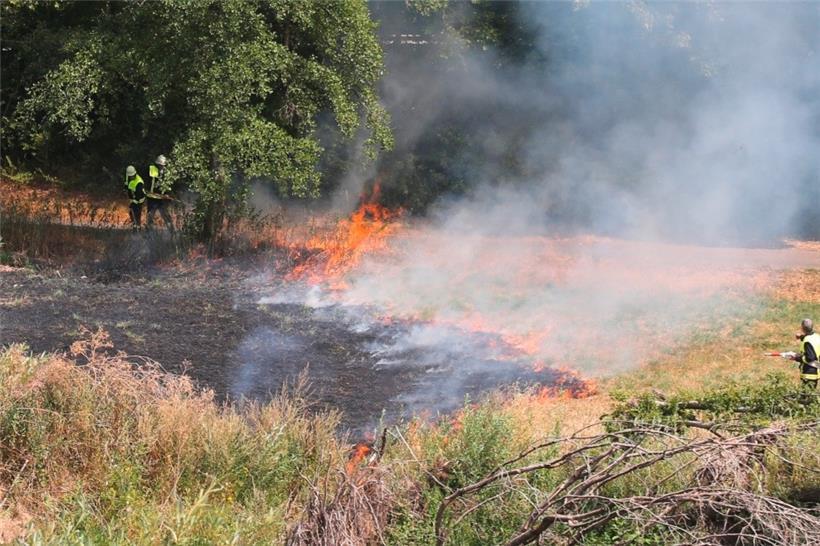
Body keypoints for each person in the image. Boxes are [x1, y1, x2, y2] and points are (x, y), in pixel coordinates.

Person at [146, 154, 175, 232]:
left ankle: (172, 232)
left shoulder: (165, 172)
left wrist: (167, 194)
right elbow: (152, 183)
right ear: (157, 164)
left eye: (163, 165)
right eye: (161, 165)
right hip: (152, 197)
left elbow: (166, 184)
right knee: (150, 216)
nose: (162, 167)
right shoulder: (152, 170)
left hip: (161, 198)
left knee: (165, 215)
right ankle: (149, 233)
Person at [792, 318, 819, 389]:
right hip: (816, 371)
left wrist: (797, 358)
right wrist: (801, 337)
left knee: (805, 397)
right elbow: (811, 340)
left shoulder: (807, 341)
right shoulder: (817, 337)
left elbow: (810, 358)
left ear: (802, 327)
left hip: (809, 373)